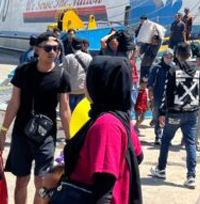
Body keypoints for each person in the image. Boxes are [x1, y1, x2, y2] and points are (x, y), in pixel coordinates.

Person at [0, 31, 73, 204]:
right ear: (37, 50)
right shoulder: (23, 71)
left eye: (56, 48)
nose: (52, 52)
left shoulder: (62, 76)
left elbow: (65, 108)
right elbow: (14, 103)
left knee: (42, 181)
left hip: (46, 136)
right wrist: (3, 131)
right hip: (21, 133)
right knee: (21, 180)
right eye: (48, 48)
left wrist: (70, 139)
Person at [56, 56, 143, 204]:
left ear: (100, 84)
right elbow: (138, 156)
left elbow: (104, 187)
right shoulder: (121, 117)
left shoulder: (106, 124)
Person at [149, 42, 200, 188]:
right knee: (190, 143)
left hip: (174, 113)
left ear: (177, 55)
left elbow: (167, 93)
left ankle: (161, 169)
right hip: (192, 113)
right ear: (190, 54)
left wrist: (161, 113)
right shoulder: (198, 70)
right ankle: (191, 176)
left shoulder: (173, 70)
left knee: (165, 140)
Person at [147, 50, 173, 145]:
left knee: (169, 117)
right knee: (158, 116)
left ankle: (167, 137)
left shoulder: (174, 67)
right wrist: (151, 94)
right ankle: (158, 136)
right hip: (158, 96)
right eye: (167, 56)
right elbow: (150, 82)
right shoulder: (156, 68)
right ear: (163, 56)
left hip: (170, 97)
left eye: (171, 57)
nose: (169, 58)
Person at [62, 37, 93, 111]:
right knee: (81, 111)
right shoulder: (88, 57)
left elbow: (64, 75)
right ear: (81, 46)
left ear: (72, 46)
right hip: (83, 89)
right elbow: (90, 74)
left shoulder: (67, 58)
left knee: (71, 111)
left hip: (71, 90)